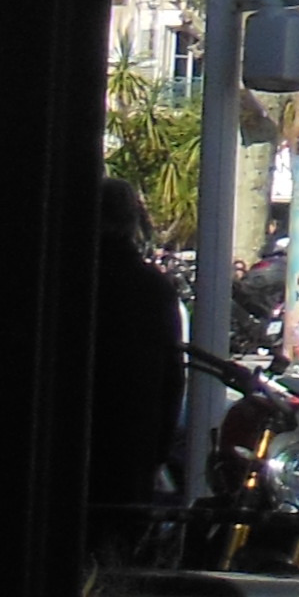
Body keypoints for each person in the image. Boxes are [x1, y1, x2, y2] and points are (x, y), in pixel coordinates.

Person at [88, 179, 187, 541]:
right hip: (131, 448)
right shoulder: (153, 287)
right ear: (132, 222)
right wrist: (156, 450)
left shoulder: (60, 277)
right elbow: (172, 378)